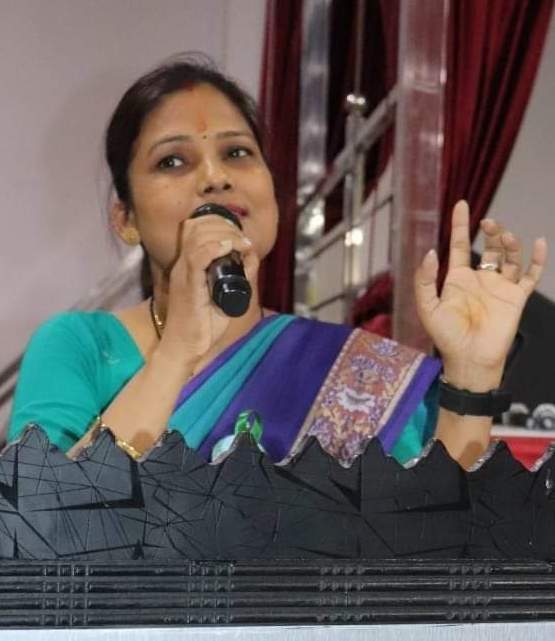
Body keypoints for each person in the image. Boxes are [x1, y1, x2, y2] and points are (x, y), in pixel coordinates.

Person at [7, 55, 548, 470]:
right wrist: (178, 351)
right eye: (172, 161)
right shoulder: (80, 346)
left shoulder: (349, 373)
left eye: (237, 153)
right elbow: (42, 523)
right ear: (126, 218)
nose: (215, 177)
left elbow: (441, 539)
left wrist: (472, 377)